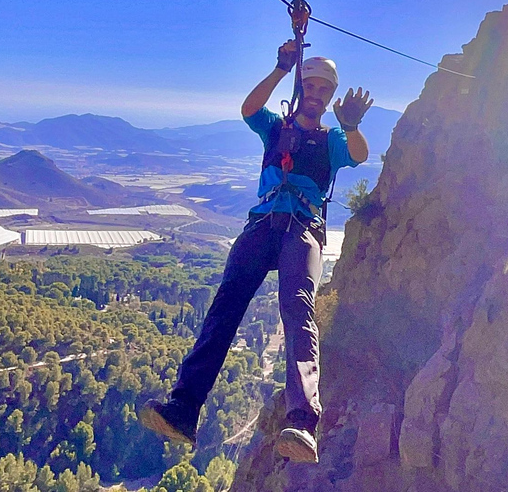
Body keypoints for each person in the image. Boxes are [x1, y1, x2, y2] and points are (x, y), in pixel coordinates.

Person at [140, 40, 373, 464]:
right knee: (224, 310)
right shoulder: (275, 126)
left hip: (300, 230)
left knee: (298, 311)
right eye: (312, 86)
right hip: (262, 224)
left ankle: (302, 421)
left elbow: (358, 155)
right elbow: (249, 108)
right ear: (302, 89)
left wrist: (353, 126)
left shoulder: (334, 138)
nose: (317, 94)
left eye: (325, 89)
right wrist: (280, 69)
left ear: (331, 97)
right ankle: (183, 409)